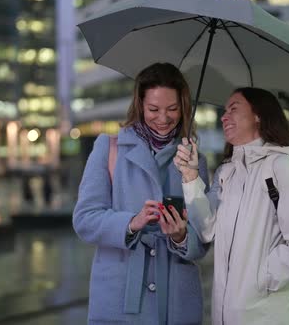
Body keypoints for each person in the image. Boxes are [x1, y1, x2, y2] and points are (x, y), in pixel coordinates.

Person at [174, 87, 289, 325]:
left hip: (266, 316)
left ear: (259, 116)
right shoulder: (227, 171)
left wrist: (261, 278)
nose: (224, 117)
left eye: (233, 109)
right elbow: (206, 229)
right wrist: (190, 175)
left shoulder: (281, 167)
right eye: (224, 111)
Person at [73, 62, 210, 325]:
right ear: (140, 105)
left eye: (172, 109)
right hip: (120, 303)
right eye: (153, 109)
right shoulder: (109, 148)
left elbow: (204, 239)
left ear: (183, 107)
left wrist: (181, 236)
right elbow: (84, 219)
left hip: (176, 307)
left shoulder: (195, 160)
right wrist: (130, 223)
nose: (163, 118)